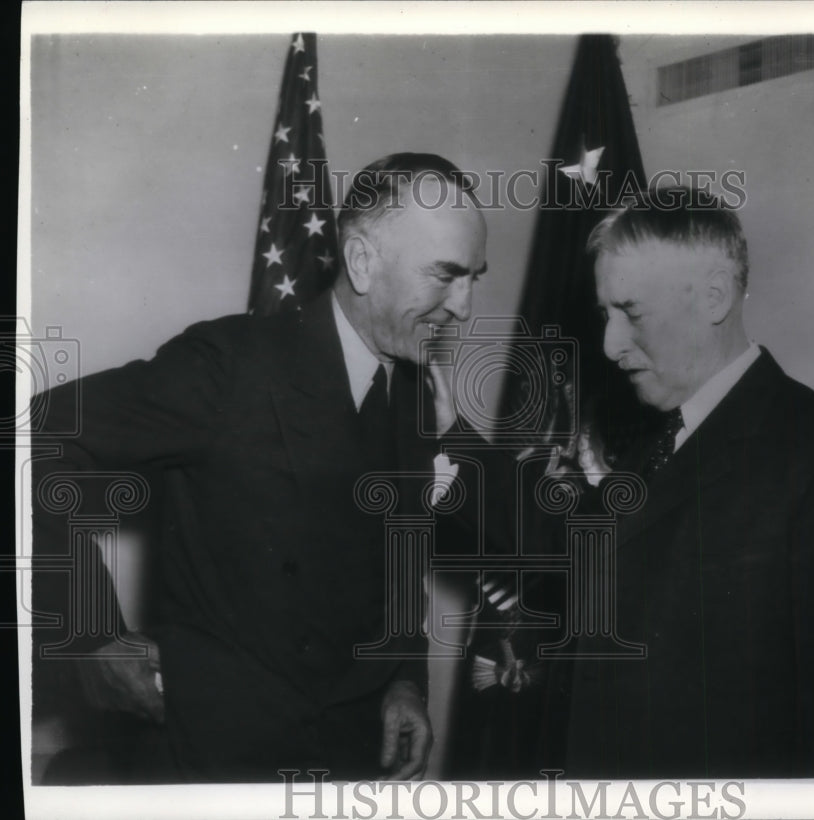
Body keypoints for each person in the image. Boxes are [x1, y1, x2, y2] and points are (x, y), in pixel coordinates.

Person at [31, 152, 487, 782]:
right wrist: (88, 633)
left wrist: (405, 681)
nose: (463, 307)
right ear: (361, 262)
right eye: (445, 276)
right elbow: (35, 436)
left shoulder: (415, 393)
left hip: (352, 754)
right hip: (216, 758)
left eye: (474, 278)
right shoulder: (230, 366)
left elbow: (400, 556)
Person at [556, 189, 814, 778]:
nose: (609, 345)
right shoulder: (651, 446)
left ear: (715, 297)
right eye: (606, 315)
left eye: (631, 312)